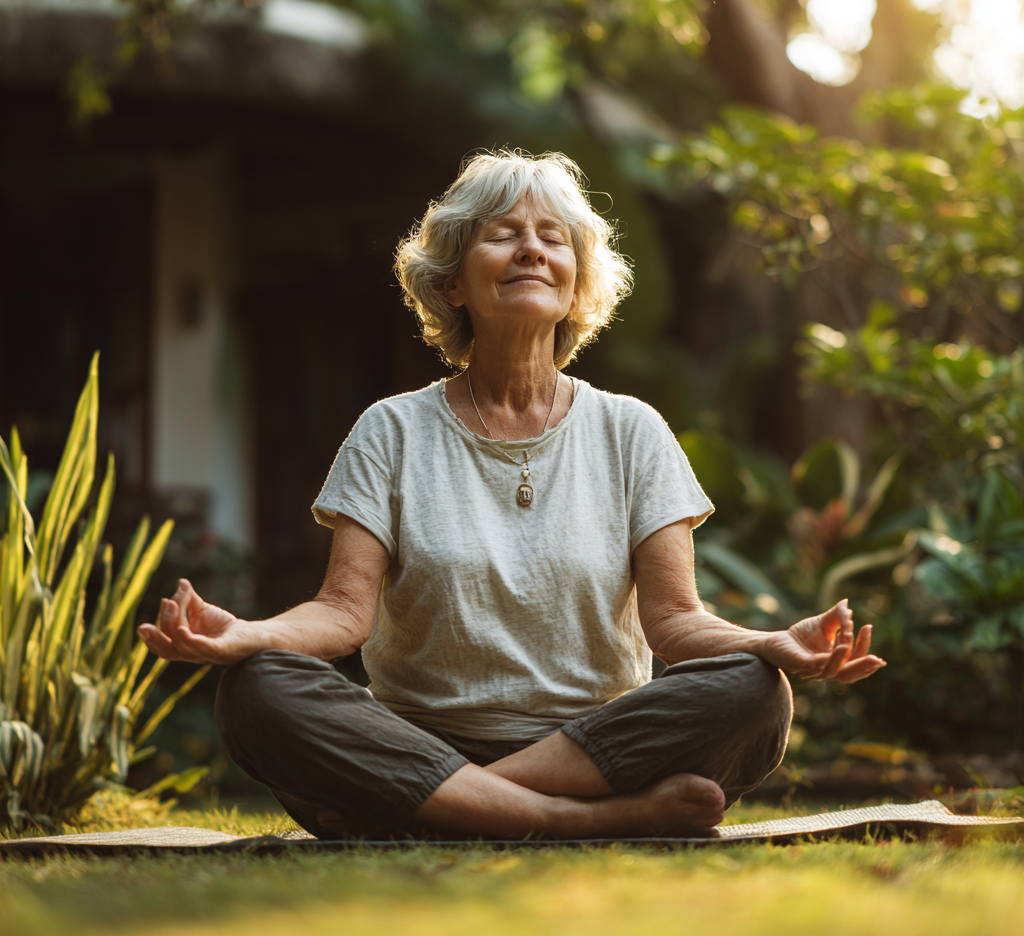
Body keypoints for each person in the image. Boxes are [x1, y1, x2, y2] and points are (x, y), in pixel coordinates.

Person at [138, 150, 885, 840]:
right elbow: (342, 614)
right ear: (454, 281)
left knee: (756, 693)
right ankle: (585, 822)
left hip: (597, 743)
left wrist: (770, 644)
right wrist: (245, 637)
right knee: (259, 691)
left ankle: (435, 805)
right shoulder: (392, 430)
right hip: (420, 737)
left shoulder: (633, 430)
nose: (532, 248)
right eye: (503, 234)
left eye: (554, 238)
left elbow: (675, 622)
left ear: (575, 285)